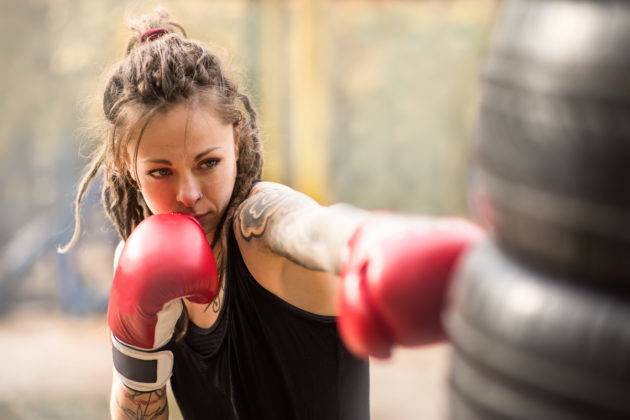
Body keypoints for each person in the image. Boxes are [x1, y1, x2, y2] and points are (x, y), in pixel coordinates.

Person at [61, 8, 483, 420]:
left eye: (208, 163)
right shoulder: (138, 262)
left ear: (237, 142)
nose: (188, 194)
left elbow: (309, 229)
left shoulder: (259, 231)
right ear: (126, 167)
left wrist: (371, 241)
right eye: (160, 172)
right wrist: (137, 361)